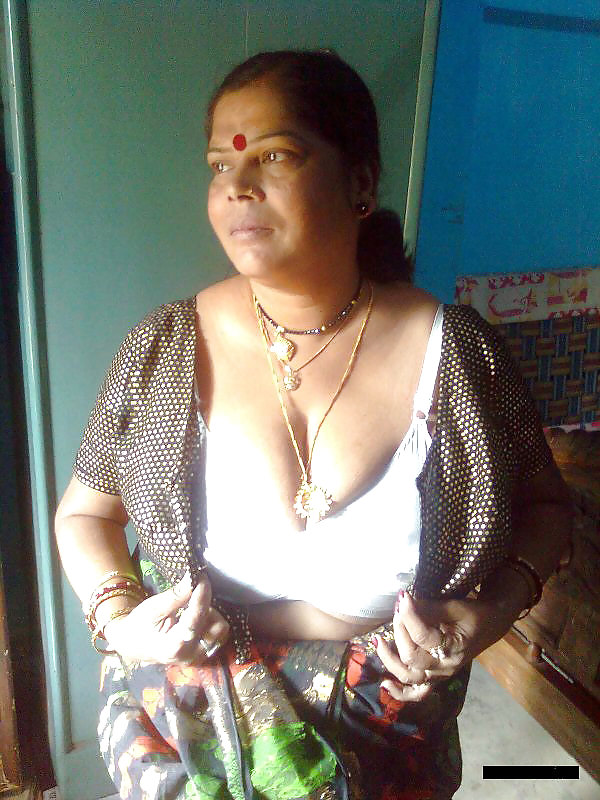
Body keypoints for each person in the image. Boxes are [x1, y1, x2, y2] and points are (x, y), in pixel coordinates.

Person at [55, 50, 572, 800]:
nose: (237, 185)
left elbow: (547, 507)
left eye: (274, 156)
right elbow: (84, 514)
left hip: (384, 731)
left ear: (360, 182)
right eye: (220, 165)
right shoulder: (165, 348)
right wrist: (121, 619)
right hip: (193, 728)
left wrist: (487, 615)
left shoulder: (456, 356)